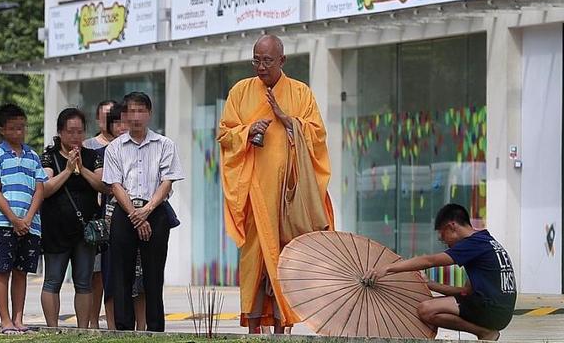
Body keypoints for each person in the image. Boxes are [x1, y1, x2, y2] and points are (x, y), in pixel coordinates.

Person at [217, 34, 335, 333]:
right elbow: (224, 135)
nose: (260, 66)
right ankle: (254, 328)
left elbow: (317, 136)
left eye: (267, 61)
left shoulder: (300, 93)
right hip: (254, 194)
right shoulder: (240, 92)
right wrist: (246, 131)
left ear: (282, 61)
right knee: (255, 261)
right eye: (256, 60)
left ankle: (283, 327)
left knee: (286, 262)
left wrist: (286, 119)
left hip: (288, 197)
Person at [365, 203, 517, 341]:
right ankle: (486, 331)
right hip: (502, 312)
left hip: (491, 309)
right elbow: (465, 292)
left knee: (426, 310)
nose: (446, 244)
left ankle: (484, 332)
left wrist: (388, 268)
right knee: (434, 306)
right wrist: (430, 285)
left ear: (452, 226)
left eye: (443, 238)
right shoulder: (486, 241)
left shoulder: (472, 244)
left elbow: (430, 261)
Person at [102, 91, 184, 332]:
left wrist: (146, 211)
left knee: (154, 273)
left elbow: (167, 181)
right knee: (121, 273)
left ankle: (156, 328)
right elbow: (114, 185)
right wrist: (135, 216)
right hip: (124, 212)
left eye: (141, 111)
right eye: (131, 111)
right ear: (124, 116)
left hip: (155, 211)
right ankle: (124, 328)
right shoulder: (114, 148)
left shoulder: (164, 144)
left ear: (149, 113)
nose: (136, 117)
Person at [40, 108, 106, 328]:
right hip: (56, 229)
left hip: (85, 231)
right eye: (70, 132)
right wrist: (68, 170)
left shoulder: (92, 156)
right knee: (52, 281)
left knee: (84, 282)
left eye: (80, 132)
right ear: (60, 132)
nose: (75, 136)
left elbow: (103, 185)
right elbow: (46, 188)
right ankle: (52, 329)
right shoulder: (49, 156)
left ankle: (83, 330)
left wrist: (81, 168)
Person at [0, 104, 47, 335]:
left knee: (21, 271)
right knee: (3, 270)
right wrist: (14, 219)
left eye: (22, 128)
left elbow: (40, 189)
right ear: (2, 129)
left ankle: (19, 318)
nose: (18, 133)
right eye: (13, 129)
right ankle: (5, 320)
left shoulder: (33, 156)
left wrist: (27, 219)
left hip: (31, 224)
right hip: (4, 223)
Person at [95, 103, 147, 331]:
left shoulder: (145, 148)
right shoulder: (107, 153)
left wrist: (139, 214)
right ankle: (114, 326)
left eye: (125, 122)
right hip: (113, 219)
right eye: (117, 122)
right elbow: (109, 187)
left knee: (141, 275)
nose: (122, 126)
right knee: (113, 275)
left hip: (143, 217)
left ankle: (144, 325)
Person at [83, 99, 116, 329]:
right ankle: (93, 322)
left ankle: (115, 323)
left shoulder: (125, 146)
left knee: (114, 275)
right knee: (96, 274)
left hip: (120, 217)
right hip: (96, 219)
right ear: (98, 120)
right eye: (105, 116)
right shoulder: (88, 146)